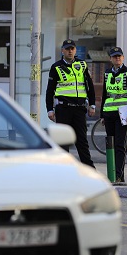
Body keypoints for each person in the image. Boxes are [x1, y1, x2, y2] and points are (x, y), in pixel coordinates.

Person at [45, 39, 96, 168]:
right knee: (63, 141)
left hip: (79, 109)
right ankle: (63, 168)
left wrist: (92, 104)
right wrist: (49, 109)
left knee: (82, 140)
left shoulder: (82, 65)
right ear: (62, 50)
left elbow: (89, 86)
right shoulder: (56, 67)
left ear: (75, 50)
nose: (70, 51)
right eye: (67, 49)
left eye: (72, 48)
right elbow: (50, 90)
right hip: (63, 108)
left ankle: (89, 168)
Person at [101, 46, 127, 183]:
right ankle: (111, 174)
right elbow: (105, 95)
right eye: (115, 56)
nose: (117, 58)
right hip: (108, 114)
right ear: (110, 59)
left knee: (119, 145)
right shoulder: (107, 73)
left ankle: (119, 175)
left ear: (123, 58)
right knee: (109, 145)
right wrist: (102, 115)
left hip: (122, 115)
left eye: (119, 56)